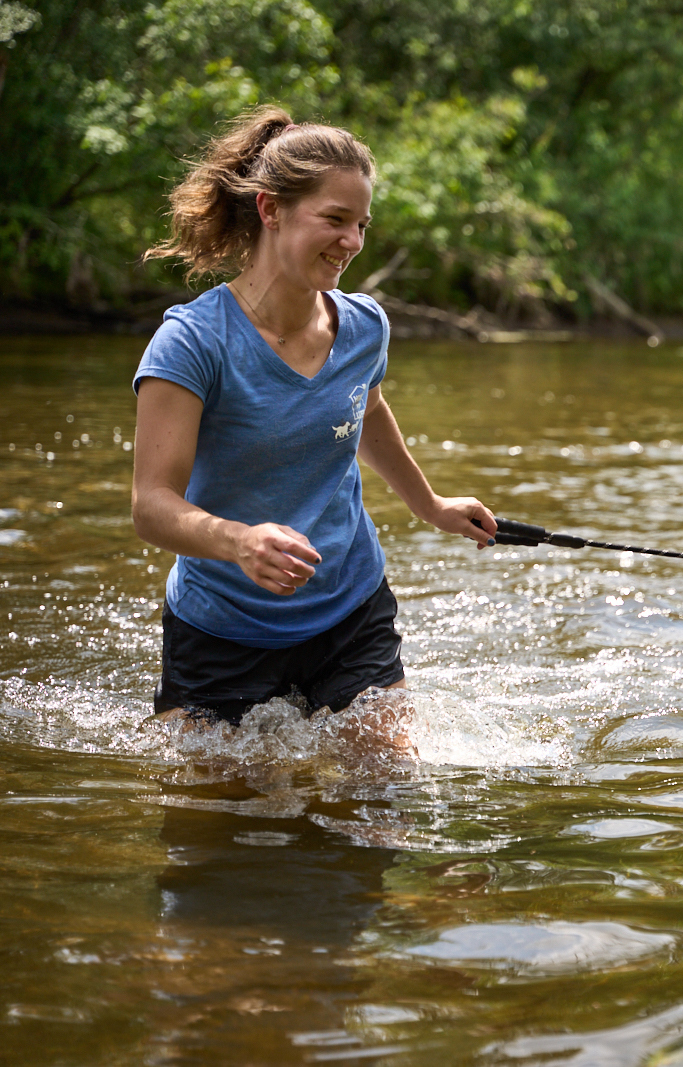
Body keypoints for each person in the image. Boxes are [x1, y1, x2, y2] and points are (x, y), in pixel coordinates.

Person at [133, 105, 497, 727]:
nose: (352, 243)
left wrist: (428, 504)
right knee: (214, 816)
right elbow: (151, 505)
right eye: (335, 219)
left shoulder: (365, 327)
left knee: (384, 803)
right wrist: (241, 541)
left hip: (350, 608)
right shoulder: (192, 343)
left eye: (361, 225)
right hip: (222, 628)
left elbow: (366, 411)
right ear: (271, 210)